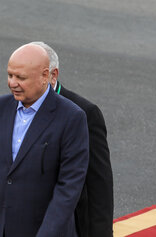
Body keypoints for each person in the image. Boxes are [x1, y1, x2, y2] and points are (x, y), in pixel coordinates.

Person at [0, 43, 89, 237]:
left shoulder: (72, 118)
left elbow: (68, 189)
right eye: (10, 75)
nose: (12, 83)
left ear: (46, 76)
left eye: (21, 77)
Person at [31, 41, 114, 237]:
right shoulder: (11, 105)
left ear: (52, 75)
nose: (18, 83)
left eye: (30, 76)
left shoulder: (85, 113)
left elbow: (99, 185)